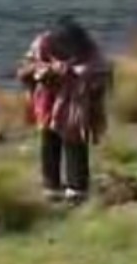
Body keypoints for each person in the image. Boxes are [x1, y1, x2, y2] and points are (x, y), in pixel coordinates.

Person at [17, 16, 110, 203]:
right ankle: (51, 185)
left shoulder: (88, 48)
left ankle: (77, 188)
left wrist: (72, 73)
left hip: (76, 103)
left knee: (75, 141)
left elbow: (100, 70)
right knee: (49, 140)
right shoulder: (42, 44)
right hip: (48, 100)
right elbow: (24, 69)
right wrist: (41, 72)